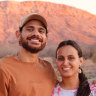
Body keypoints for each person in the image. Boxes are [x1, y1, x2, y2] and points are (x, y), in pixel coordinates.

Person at [0, 13, 57, 96]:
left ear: (46, 38)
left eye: (41, 31)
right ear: (18, 35)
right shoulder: (4, 67)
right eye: (30, 29)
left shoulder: (48, 68)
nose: (36, 34)